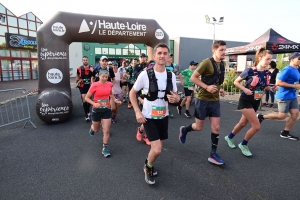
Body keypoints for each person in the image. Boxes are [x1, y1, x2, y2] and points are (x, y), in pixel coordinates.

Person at [130, 43, 180, 185]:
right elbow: (132, 93)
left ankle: (148, 163)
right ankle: (148, 166)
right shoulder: (145, 74)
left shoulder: (170, 75)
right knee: (157, 150)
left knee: (158, 149)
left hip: (163, 116)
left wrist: (177, 99)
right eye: (159, 53)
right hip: (149, 117)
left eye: (165, 53)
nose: (162, 56)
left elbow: (175, 96)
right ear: (154, 56)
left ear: (169, 57)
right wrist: (137, 112)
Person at [178, 40, 226, 165]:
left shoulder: (222, 65)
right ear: (214, 50)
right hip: (202, 100)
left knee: (216, 127)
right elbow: (194, 77)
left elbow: (217, 82)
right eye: (221, 50)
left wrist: (221, 90)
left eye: (225, 50)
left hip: (215, 101)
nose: (224, 52)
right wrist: (207, 87)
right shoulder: (206, 62)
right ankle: (184, 130)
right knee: (198, 127)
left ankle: (213, 154)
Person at [224, 47, 272, 157]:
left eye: (270, 59)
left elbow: (264, 87)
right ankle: (243, 144)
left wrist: (271, 88)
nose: (269, 62)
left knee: (243, 123)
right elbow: (236, 82)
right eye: (267, 59)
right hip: (245, 100)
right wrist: (245, 89)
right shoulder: (249, 71)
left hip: (256, 100)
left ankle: (229, 137)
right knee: (256, 126)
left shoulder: (266, 72)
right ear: (260, 58)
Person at [257, 52, 300, 140]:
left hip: (292, 95)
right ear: (292, 59)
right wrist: (295, 86)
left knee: (295, 114)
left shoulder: (296, 69)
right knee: (282, 116)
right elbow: (278, 82)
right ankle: (261, 117)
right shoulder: (287, 69)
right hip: (284, 95)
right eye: (299, 59)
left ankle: (285, 132)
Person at [85, 69, 122, 158]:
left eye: (106, 77)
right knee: (96, 130)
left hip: (106, 110)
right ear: (99, 76)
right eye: (103, 77)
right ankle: (92, 128)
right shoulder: (94, 85)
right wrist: (94, 103)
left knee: (106, 130)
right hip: (96, 110)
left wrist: (115, 100)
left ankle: (104, 148)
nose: (105, 78)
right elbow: (86, 98)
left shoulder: (109, 84)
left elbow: (110, 94)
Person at [76, 56, 94, 121]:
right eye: (84, 60)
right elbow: (77, 75)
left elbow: (94, 76)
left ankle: (88, 110)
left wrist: (93, 71)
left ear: (88, 61)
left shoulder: (92, 68)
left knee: (89, 99)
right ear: (82, 61)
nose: (85, 61)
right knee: (84, 98)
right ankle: (86, 115)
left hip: (90, 85)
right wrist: (77, 81)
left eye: (86, 60)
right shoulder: (79, 68)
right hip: (82, 85)